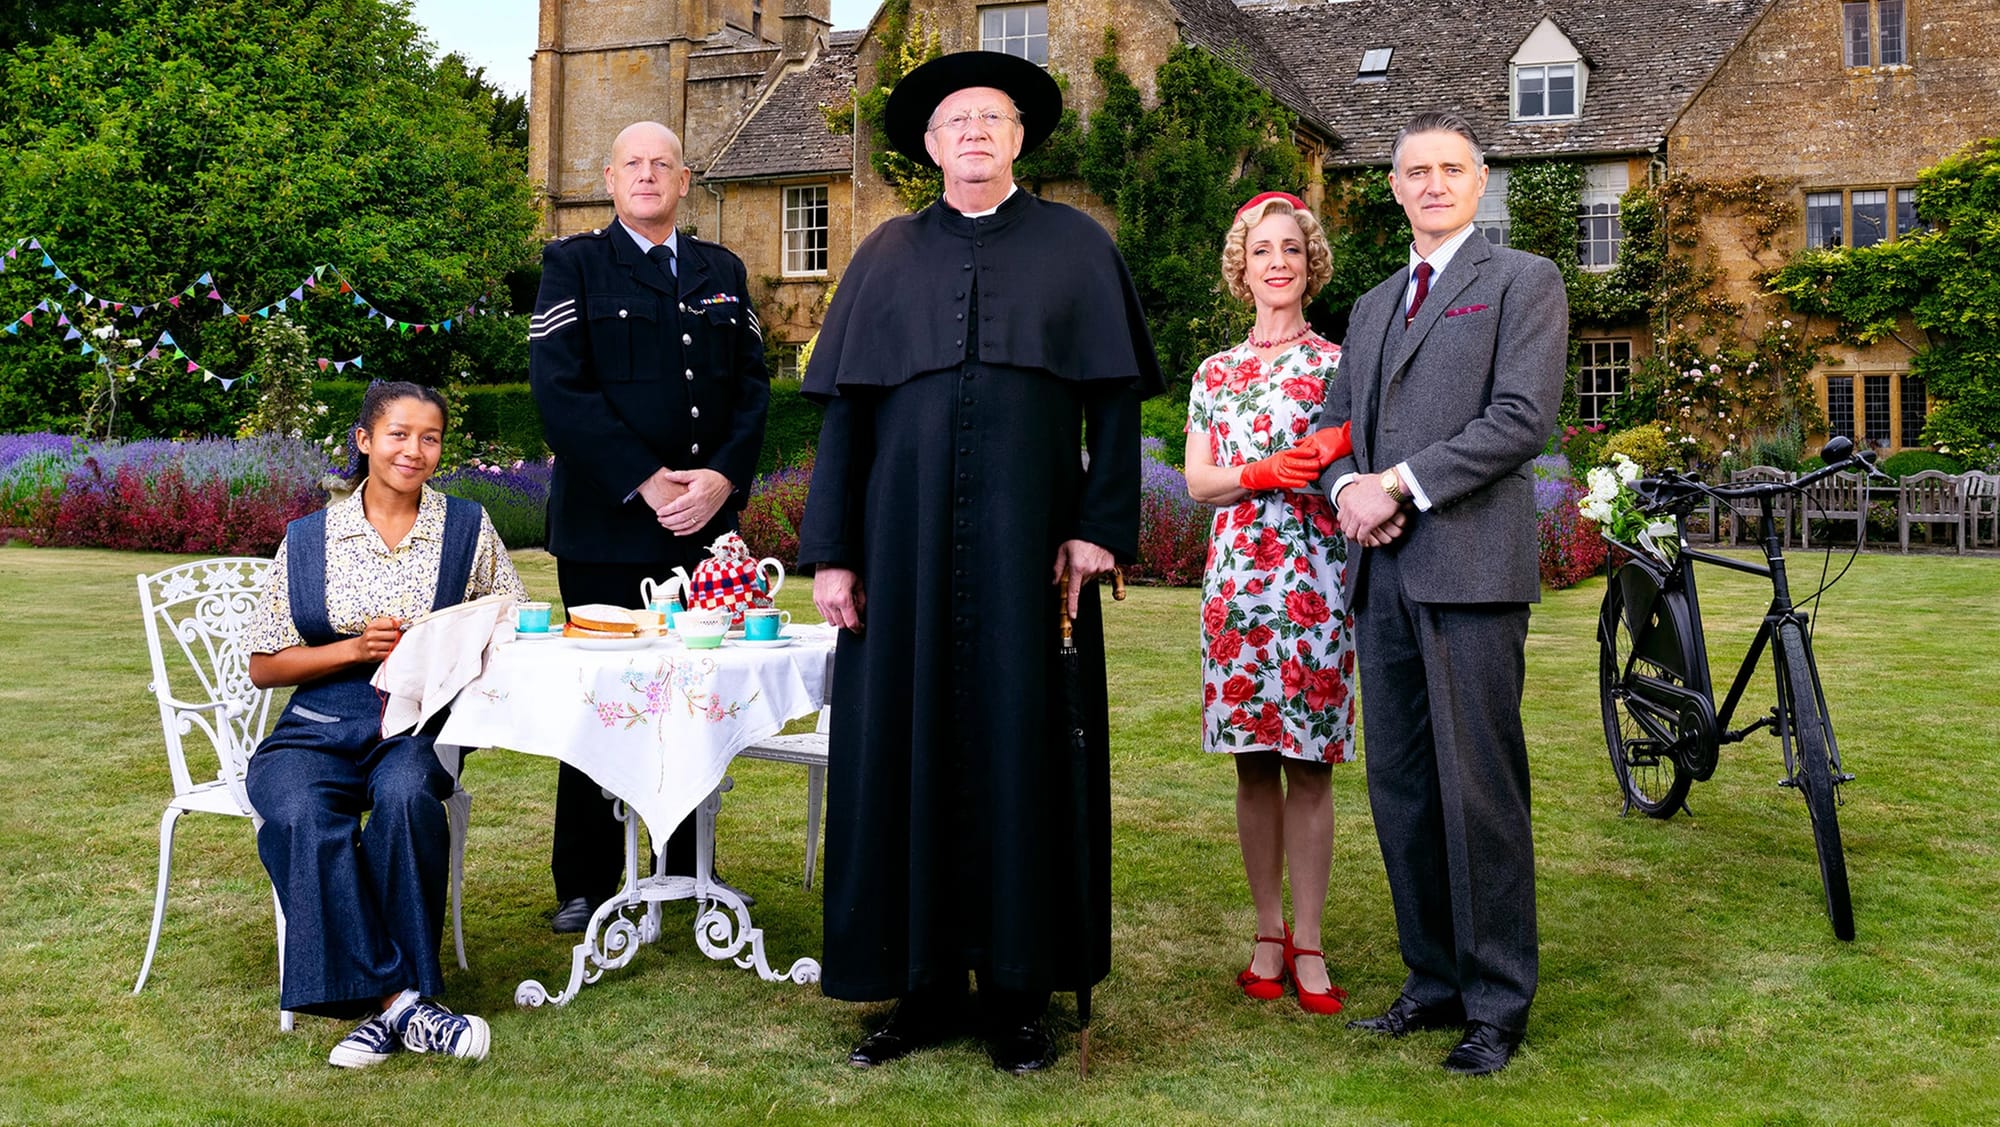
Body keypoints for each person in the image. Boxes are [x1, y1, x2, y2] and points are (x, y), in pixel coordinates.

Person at [795, 50, 1163, 1074]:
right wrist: (829, 553)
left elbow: (1117, 405)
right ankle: (914, 986)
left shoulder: (1076, 247)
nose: (971, 132)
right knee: (898, 753)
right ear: (926, 144)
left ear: (1018, 137)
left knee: (1022, 754)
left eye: (990, 118)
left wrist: (1099, 525)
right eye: (954, 119)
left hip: (1028, 557)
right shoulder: (881, 257)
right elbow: (846, 420)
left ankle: (1015, 990)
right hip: (898, 556)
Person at [1314, 111, 1566, 1076]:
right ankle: (1432, 979)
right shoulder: (1375, 304)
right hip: (1382, 578)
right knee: (1403, 787)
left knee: (1480, 792)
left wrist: (1400, 484)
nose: (1432, 184)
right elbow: (1341, 428)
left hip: (1469, 571)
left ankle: (1498, 1001)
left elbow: (1519, 420)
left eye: (1450, 169)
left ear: (1480, 180)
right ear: (1392, 187)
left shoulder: (1521, 282)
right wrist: (1347, 489)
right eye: (1415, 171)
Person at [528, 121, 770, 933]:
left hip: (705, 528)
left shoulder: (723, 270)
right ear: (607, 175)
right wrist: (644, 479)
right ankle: (587, 879)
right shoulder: (574, 263)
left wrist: (722, 478)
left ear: (684, 180)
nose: (647, 174)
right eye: (632, 162)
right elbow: (560, 390)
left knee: (696, 699)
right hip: (607, 527)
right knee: (601, 699)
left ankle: (686, 862)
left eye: (662, 164)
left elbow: (752, 389)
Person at [243, 380, 528, 1068]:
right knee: (300, 812)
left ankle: (383, 1006)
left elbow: (514, 619)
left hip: (415, 726)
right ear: (365, 440)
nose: (415, 449)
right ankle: (404, 1002)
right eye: (398, 434)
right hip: (315, 721)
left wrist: (458, 644)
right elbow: (263, 664)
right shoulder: (309, 538)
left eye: (429, 437)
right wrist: (353, 648)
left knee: (405, 799)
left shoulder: (466, 528)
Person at [1184, 191, 1357, 1017]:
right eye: (1262, 250)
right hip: (1240, 589)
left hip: (1318, 583)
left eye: (1291, 248)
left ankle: (1312, 939)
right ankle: (1265, 931)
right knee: (1255, 764)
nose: (1277, 262)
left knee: (1309, 765)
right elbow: (1197, 482)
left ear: (1310, 263)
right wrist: (1257, 473)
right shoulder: (1214, 374)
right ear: (1242, 267)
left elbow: (1354, 466)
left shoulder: (1340, 366)